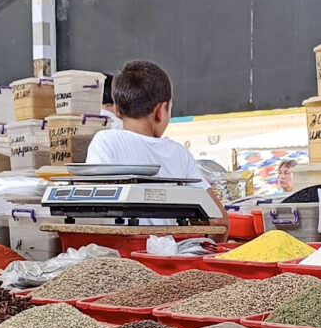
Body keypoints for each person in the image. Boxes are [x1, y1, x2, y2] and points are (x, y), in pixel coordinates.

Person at [86, 60, 229, 236]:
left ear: (117, 111)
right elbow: (219, 221)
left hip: (117, 257)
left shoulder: (105, 141)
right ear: (161, 110)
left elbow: (92, 210)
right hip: (167, 258)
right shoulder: (179, 154)